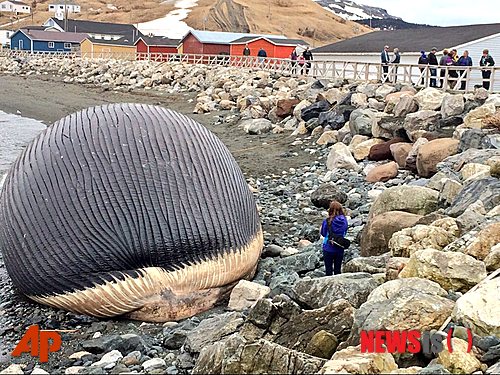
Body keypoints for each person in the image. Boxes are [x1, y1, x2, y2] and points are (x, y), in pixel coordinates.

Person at [320, 201, 348, 276]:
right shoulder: (344, 221)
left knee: (328, 270)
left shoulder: (327, 221)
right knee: (337, 270)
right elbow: (345, 232)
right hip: (339, 246)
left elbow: (323, 233)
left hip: (328, 247)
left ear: (330, 210)